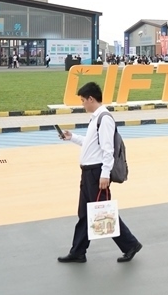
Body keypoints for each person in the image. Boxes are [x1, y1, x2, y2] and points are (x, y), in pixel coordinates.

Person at [57, 82, 142, 264]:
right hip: (89, 172)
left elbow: (107, 149)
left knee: (103, 212)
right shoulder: (95, 118)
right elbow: (90, 144)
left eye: (83, 100)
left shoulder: (104, 119)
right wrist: (72, 137)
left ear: (91, 99)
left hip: (96, 173)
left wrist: (105, 174)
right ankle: (78, 251)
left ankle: (130, 244)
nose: (82, 104)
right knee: (85, 214)